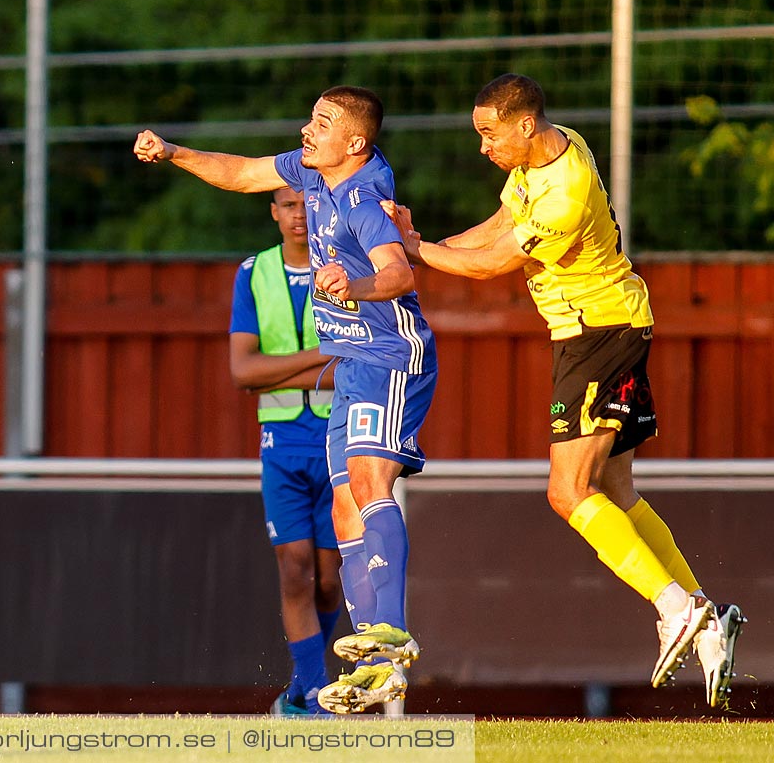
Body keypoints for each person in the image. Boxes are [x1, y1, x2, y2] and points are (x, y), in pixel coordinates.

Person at [383, 73, 745, 709]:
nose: (483, 147)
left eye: (489, 134)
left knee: (566, 492)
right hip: (614, 325)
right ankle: (703, 614)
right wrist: (420, 248)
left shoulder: (565, 194)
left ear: (524, 126)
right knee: (614, 491)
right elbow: (499, 225)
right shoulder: (553, 148)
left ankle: (674, 607)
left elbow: (493, 264)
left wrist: (419, 253)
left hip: (597, 334)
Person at [135, 85, 435, 714]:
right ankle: (377, 664)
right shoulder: (310, 170)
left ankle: (392, 631)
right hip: (351, 365)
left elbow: (402, 273)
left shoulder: (361, 197)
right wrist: (173, 153)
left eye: (321, 123)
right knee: (348, 509)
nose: (306, 129)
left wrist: (351, 284)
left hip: (388, 355)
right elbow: (243, 172)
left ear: (354, 142)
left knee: (367, 482)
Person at [229, 186, 341, 715]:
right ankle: (315, 694)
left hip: (337, 438)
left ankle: (301, 688)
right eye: (289, 205)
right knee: (294, 569)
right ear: (273, 212)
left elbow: (352, 365)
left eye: (308, 204)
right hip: (280, 441)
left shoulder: (346, 269)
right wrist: (317, 359)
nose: (300, 215)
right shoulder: (253, 272)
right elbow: (241, 371)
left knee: (329, 580)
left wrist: (283, 370)